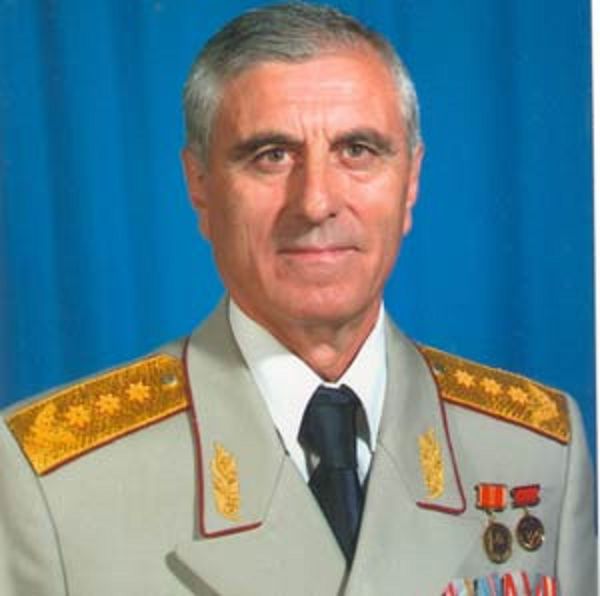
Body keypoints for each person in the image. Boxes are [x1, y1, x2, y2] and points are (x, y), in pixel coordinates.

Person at [0, 3, 595, 595]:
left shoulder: (539, 449)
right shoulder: (52, 484)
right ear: (200, 186)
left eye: (357, 150)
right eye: (271, 155)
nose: (315, 202)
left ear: (411, 181)